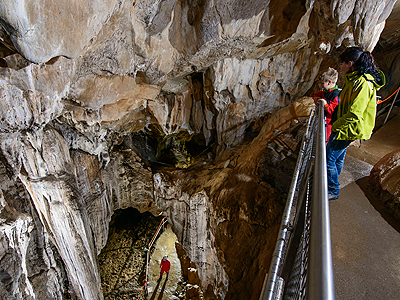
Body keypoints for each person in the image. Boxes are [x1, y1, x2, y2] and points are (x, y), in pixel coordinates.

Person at [327, 47, 385, 200]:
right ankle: (331, 184)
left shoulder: (362, 83)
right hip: (345, 126)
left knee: (328, 159)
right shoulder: (353, 79)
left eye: (342, 63)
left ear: (350, 63)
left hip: (348, 127)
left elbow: (355, 112)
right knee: (337, 158)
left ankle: (332, 189)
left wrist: (336, 125)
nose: (340, 66)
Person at [313, 67, 340, 142]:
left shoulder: (335, 95)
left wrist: (325, 105)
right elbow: (316, 95)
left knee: (325, 140)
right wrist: (316, 98)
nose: (321, 85)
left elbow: (334, 111)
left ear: (329, 82)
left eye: (322, 83)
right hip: (323, 120)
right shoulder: (325, 91)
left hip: (329, 123)